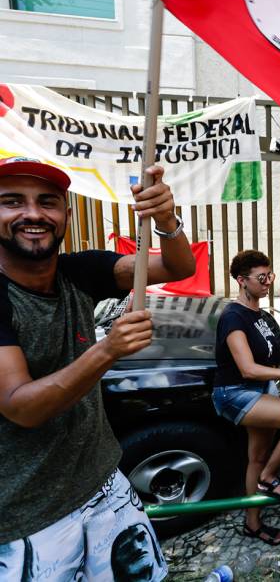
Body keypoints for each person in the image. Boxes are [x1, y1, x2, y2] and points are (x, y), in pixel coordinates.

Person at [0, 159, 195, 581]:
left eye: (47, 202)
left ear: (65, 214)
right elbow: (21, 407)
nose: (33, 213)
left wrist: (165, 220)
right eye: (12, 201)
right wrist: (107, 349)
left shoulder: (76, 271)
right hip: (28, 516)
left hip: (104, 483)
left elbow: (179, 268)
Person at [212, 250, 280, 545]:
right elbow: (248, 369)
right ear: (242, 281)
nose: (267, 283)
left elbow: (276, 357)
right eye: (261, 278)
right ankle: (268, 478)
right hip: (234, 393)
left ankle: (252, 524)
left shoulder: (260, 315)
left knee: (256, 458)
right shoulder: (233, 317)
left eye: (270, 276)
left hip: (260, 392)